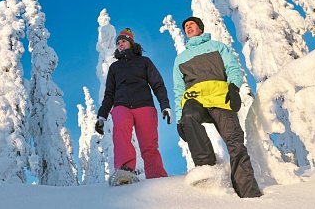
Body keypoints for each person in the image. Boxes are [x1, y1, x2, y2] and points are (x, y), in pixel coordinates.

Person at [173, 16, 262, 198]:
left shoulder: (218, 47)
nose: (188, 28)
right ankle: (208, 167)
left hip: (220, 98)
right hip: (195, 99)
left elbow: (233, 68)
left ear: (200, 27)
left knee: (235, 143)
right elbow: (178, 90)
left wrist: (234, 88)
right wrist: (178, 118)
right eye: (186, 27)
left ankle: (248, 193)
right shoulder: (181, 59)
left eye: (191, 25)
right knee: (188, 117)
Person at [95, 27, 172, 180]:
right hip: (121, 105)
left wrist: (165, 105)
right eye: (118, 43)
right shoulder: (114, 67)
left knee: (149, 142)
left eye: (123, 41)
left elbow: (157, 84)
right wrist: (102, 116)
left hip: (144, 105)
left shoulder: (144, 62)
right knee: (121, 131)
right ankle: (125, 171)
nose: (120, 44)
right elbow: (109, 93)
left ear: (131, 43)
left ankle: (156, 175)